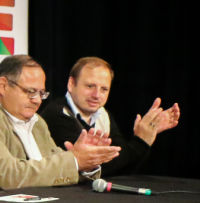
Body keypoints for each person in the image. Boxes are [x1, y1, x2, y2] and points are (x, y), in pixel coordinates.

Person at [0, 54, 119, 191]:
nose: (37, 100)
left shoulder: (36, 121)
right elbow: (7, 175)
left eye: (41, 93)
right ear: (3, 86)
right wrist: (74, 160)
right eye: (30, 92)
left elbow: (53, 164)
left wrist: (86, 164)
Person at [40, 57, 180, 178]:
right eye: (90, 86)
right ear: (71, 84)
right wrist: (141, 141)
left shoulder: (102, 114)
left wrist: (147, 136)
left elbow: (122, 166)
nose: (96, 95)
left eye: (104, 89)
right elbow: (100, 168)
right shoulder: (57, 114)